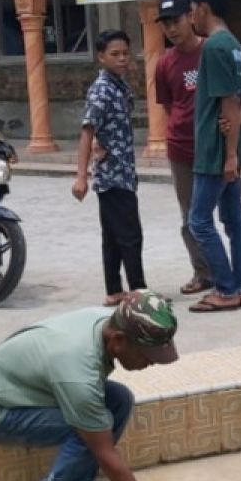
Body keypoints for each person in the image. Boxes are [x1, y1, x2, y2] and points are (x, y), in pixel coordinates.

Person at [0, 289, 192, 481]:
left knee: (119, 399)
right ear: (119, 341)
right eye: (148, 356)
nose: (151, 363)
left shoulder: (110, 320)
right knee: (86, 431)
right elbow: (104, 452)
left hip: (29, 392)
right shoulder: (77, 370)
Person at [153, 0, 241, 296]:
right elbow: (168, 108)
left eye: (175, 21)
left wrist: (234, 128)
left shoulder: (214, 49)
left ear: (192, 16)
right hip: (184, 149)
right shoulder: (164, 64)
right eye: (165, 25)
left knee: (233, 213)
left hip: (217, 150)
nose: (172, 29)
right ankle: (205, 273)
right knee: (191, 217)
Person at [185, 0, 241, 312]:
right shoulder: (234, 45)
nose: (190, 18)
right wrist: (237, 135)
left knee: (199, 221)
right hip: (231, 144)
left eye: (191, 10)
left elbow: (229, 102)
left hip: (216, 151)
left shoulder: (213, 47)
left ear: (202, 8)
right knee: (233, 219)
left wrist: (228, 155)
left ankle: (225, 289)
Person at [72, 30, 147, 306]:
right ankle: (139, 292)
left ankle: (115, 290)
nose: (122, 58)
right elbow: (87, 131)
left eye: (125, 53)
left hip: (122, 172)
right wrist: (82, 176)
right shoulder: (102, 89)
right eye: (115, 54)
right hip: (113, 176)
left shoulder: (118, 85)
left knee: (114, 237)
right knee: (130, 235)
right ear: (101, 57)